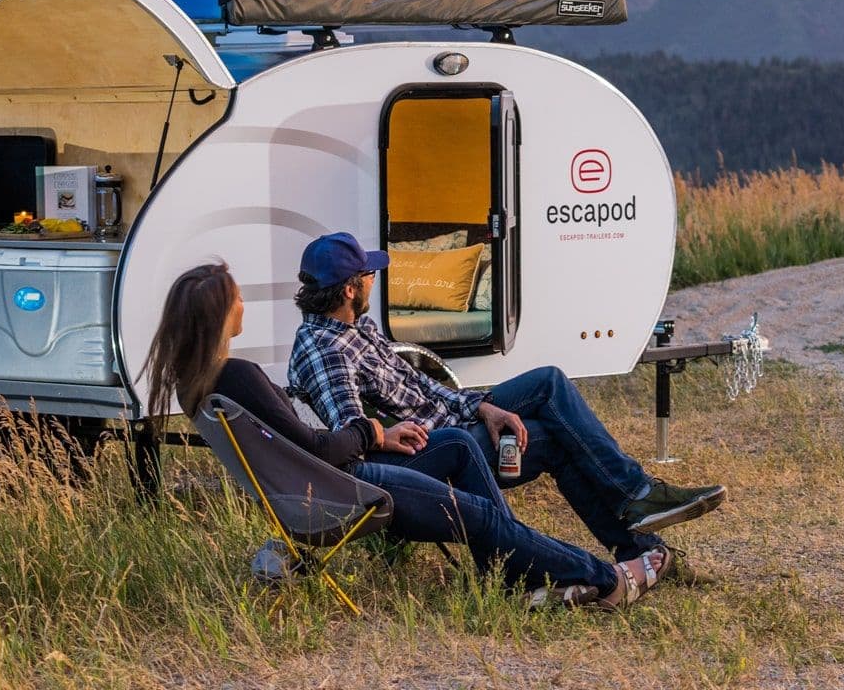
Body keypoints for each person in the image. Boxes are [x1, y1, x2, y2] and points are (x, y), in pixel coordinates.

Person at [142, 261, 665, 609]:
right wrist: (372, 430)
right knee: (481, 509)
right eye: (235, 299)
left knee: (462, 446)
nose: (242, 305)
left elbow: (305, 444)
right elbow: (320, 448)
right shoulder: (239, 377)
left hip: (320, 485)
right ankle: (607, 579)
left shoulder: (204, 387)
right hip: (346, 486)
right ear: (219, 315)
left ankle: (518, 580)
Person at [287, 232, 726, 575]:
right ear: (348, 289)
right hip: (438, 447)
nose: (373, 279)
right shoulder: (327, 350)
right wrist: (390, 433)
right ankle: (637, 520)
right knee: (553, 434)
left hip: (454, 416)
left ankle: (638, 510)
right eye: (367, 275)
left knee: (549, 384)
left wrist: (481, 406)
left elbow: (423, 386)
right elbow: (351, 433)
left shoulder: (353, 328)